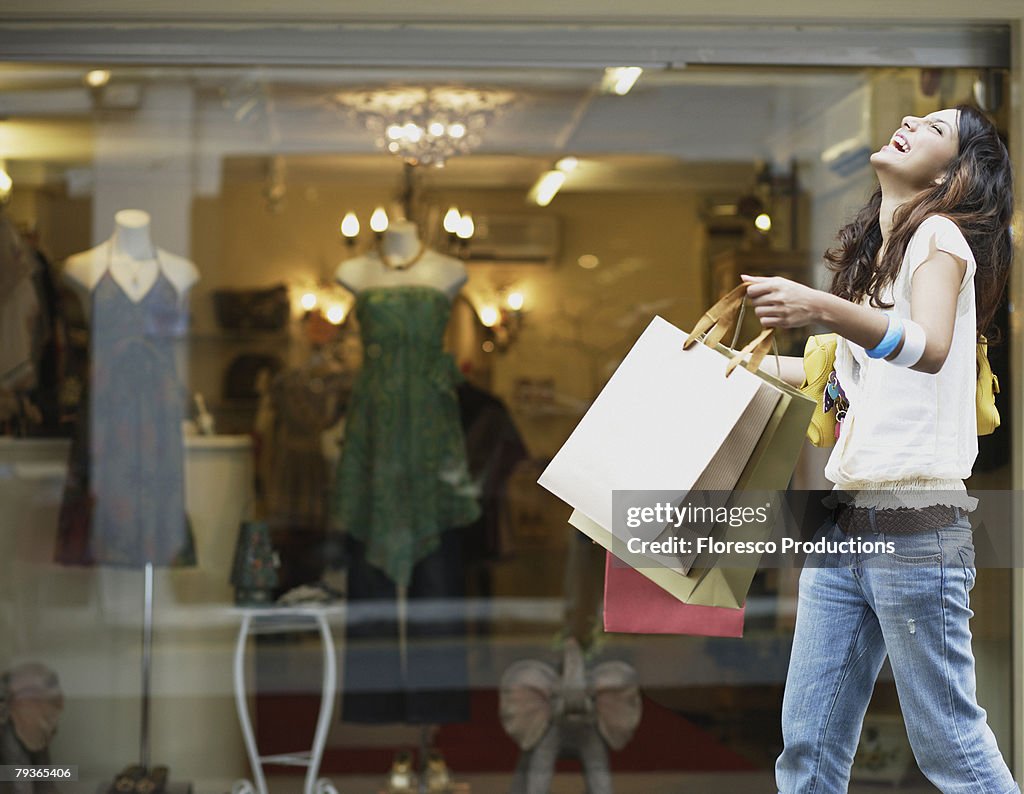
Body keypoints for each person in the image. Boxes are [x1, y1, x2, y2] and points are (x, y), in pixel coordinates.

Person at [742, 105, 1018, 793]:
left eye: (934, 127)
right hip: (843, 527)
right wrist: (718, 364)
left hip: (914, 528)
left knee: (950, 746)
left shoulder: (940, 239)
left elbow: (926, 348)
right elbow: (833, 382)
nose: (909, 120)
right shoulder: (880, 263)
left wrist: (820, 308)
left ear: (955, 172)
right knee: (808, 749)